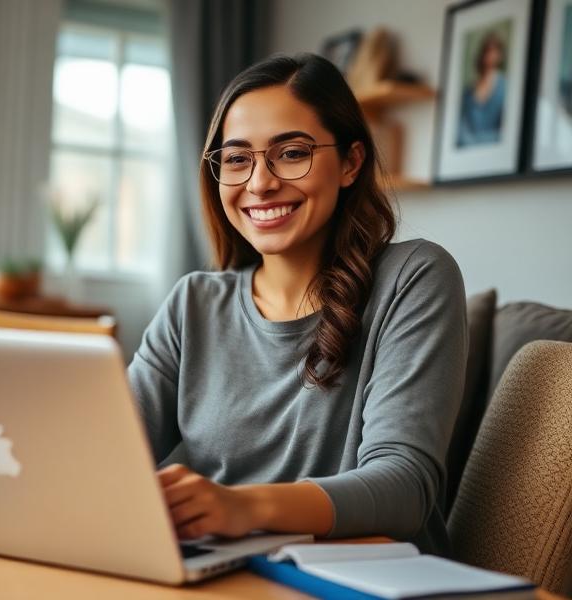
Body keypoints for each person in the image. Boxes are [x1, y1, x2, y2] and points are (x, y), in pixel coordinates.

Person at [127, 53, 467, 556]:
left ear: (351, 162)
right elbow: (110, 459)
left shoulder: (415, 277)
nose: (260, 182)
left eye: (291, 153)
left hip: (365, 576)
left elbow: (405, 488)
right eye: (238, 158)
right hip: (224, 573)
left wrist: (242, 508)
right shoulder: (192, 303)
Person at [457, 30, 507, 147]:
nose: (489, 56)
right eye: (487, 51)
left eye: (494, 51)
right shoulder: (468, 90)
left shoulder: (505, 87)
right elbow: (461, 127)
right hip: (467, 150)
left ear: (500, 55)